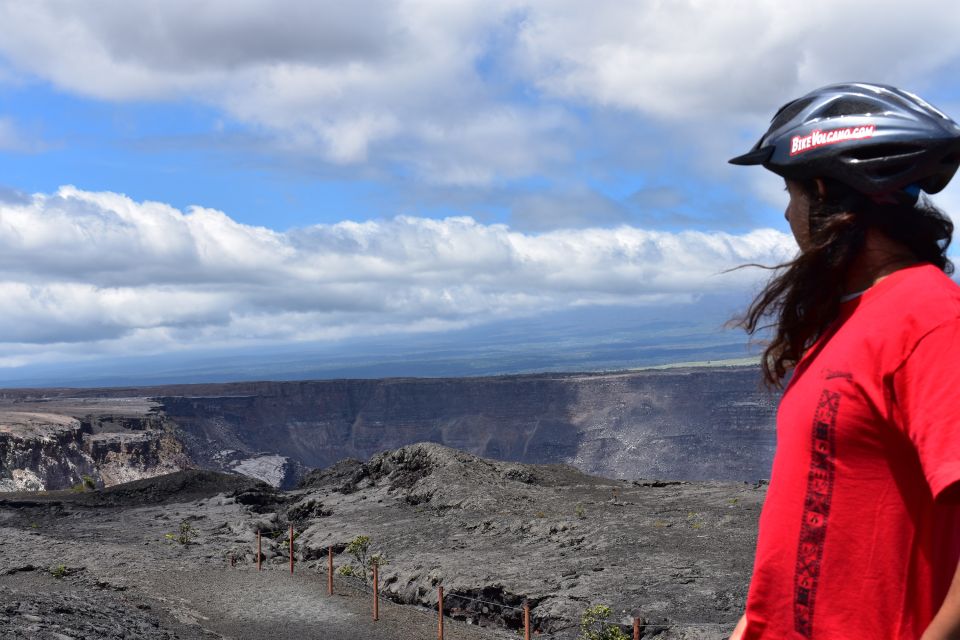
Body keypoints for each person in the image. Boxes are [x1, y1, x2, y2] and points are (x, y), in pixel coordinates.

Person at [727, 83, 960, 639]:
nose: (787, 213)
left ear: (825, 189)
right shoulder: (849, 320)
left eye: (791, 191)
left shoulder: (931, 319)